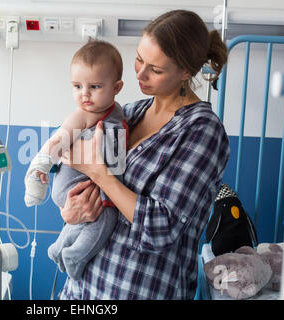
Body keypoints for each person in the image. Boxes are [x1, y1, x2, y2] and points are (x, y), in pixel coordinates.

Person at [57, 9, 231, 299]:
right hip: (84, 289)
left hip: (138, 289)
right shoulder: (132, 113)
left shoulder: (201, 131)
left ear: (186, 72)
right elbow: (83, 184)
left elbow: (162, 228)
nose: (139, 73)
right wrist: (71, 212)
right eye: (139, 58)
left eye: (156, 69)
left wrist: (99, 173)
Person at [24, 40, 128, 280]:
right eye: (77, 86)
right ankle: (74, 255)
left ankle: (59, 248)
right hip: (73, 186)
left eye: (94, 86)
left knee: (88, 221)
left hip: (90, 184)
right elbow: (55, 141)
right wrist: (39, 170)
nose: (85, 94)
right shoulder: (82, 116)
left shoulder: (117, 113)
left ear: (117, 87)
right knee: (106, 218)